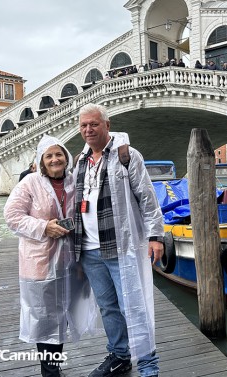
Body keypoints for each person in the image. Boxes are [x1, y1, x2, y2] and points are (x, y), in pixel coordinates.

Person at [74, 103, 165, 377]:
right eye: (84, 125)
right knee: (108, 307)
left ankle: (149, 365)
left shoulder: (127, 155)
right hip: (89, 249)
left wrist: (155, 236)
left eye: (94, 124)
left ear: (107, 125)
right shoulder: (80, 160)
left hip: (120, 247)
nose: (88, 130)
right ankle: (119, 356)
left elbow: (147, 198)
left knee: (133, 306)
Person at [4, 135, 96, 377]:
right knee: (45, 318)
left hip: (70, 261)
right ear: (41, 162)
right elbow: (12, 216)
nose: (55, 159)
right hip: (40, 262)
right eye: (49, 156)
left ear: (66, 157)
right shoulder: (30, 183)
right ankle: (49, 372)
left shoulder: (74, 182)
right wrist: (44, 227)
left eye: (58, 154)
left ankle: (53, 367)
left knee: (64, 316)